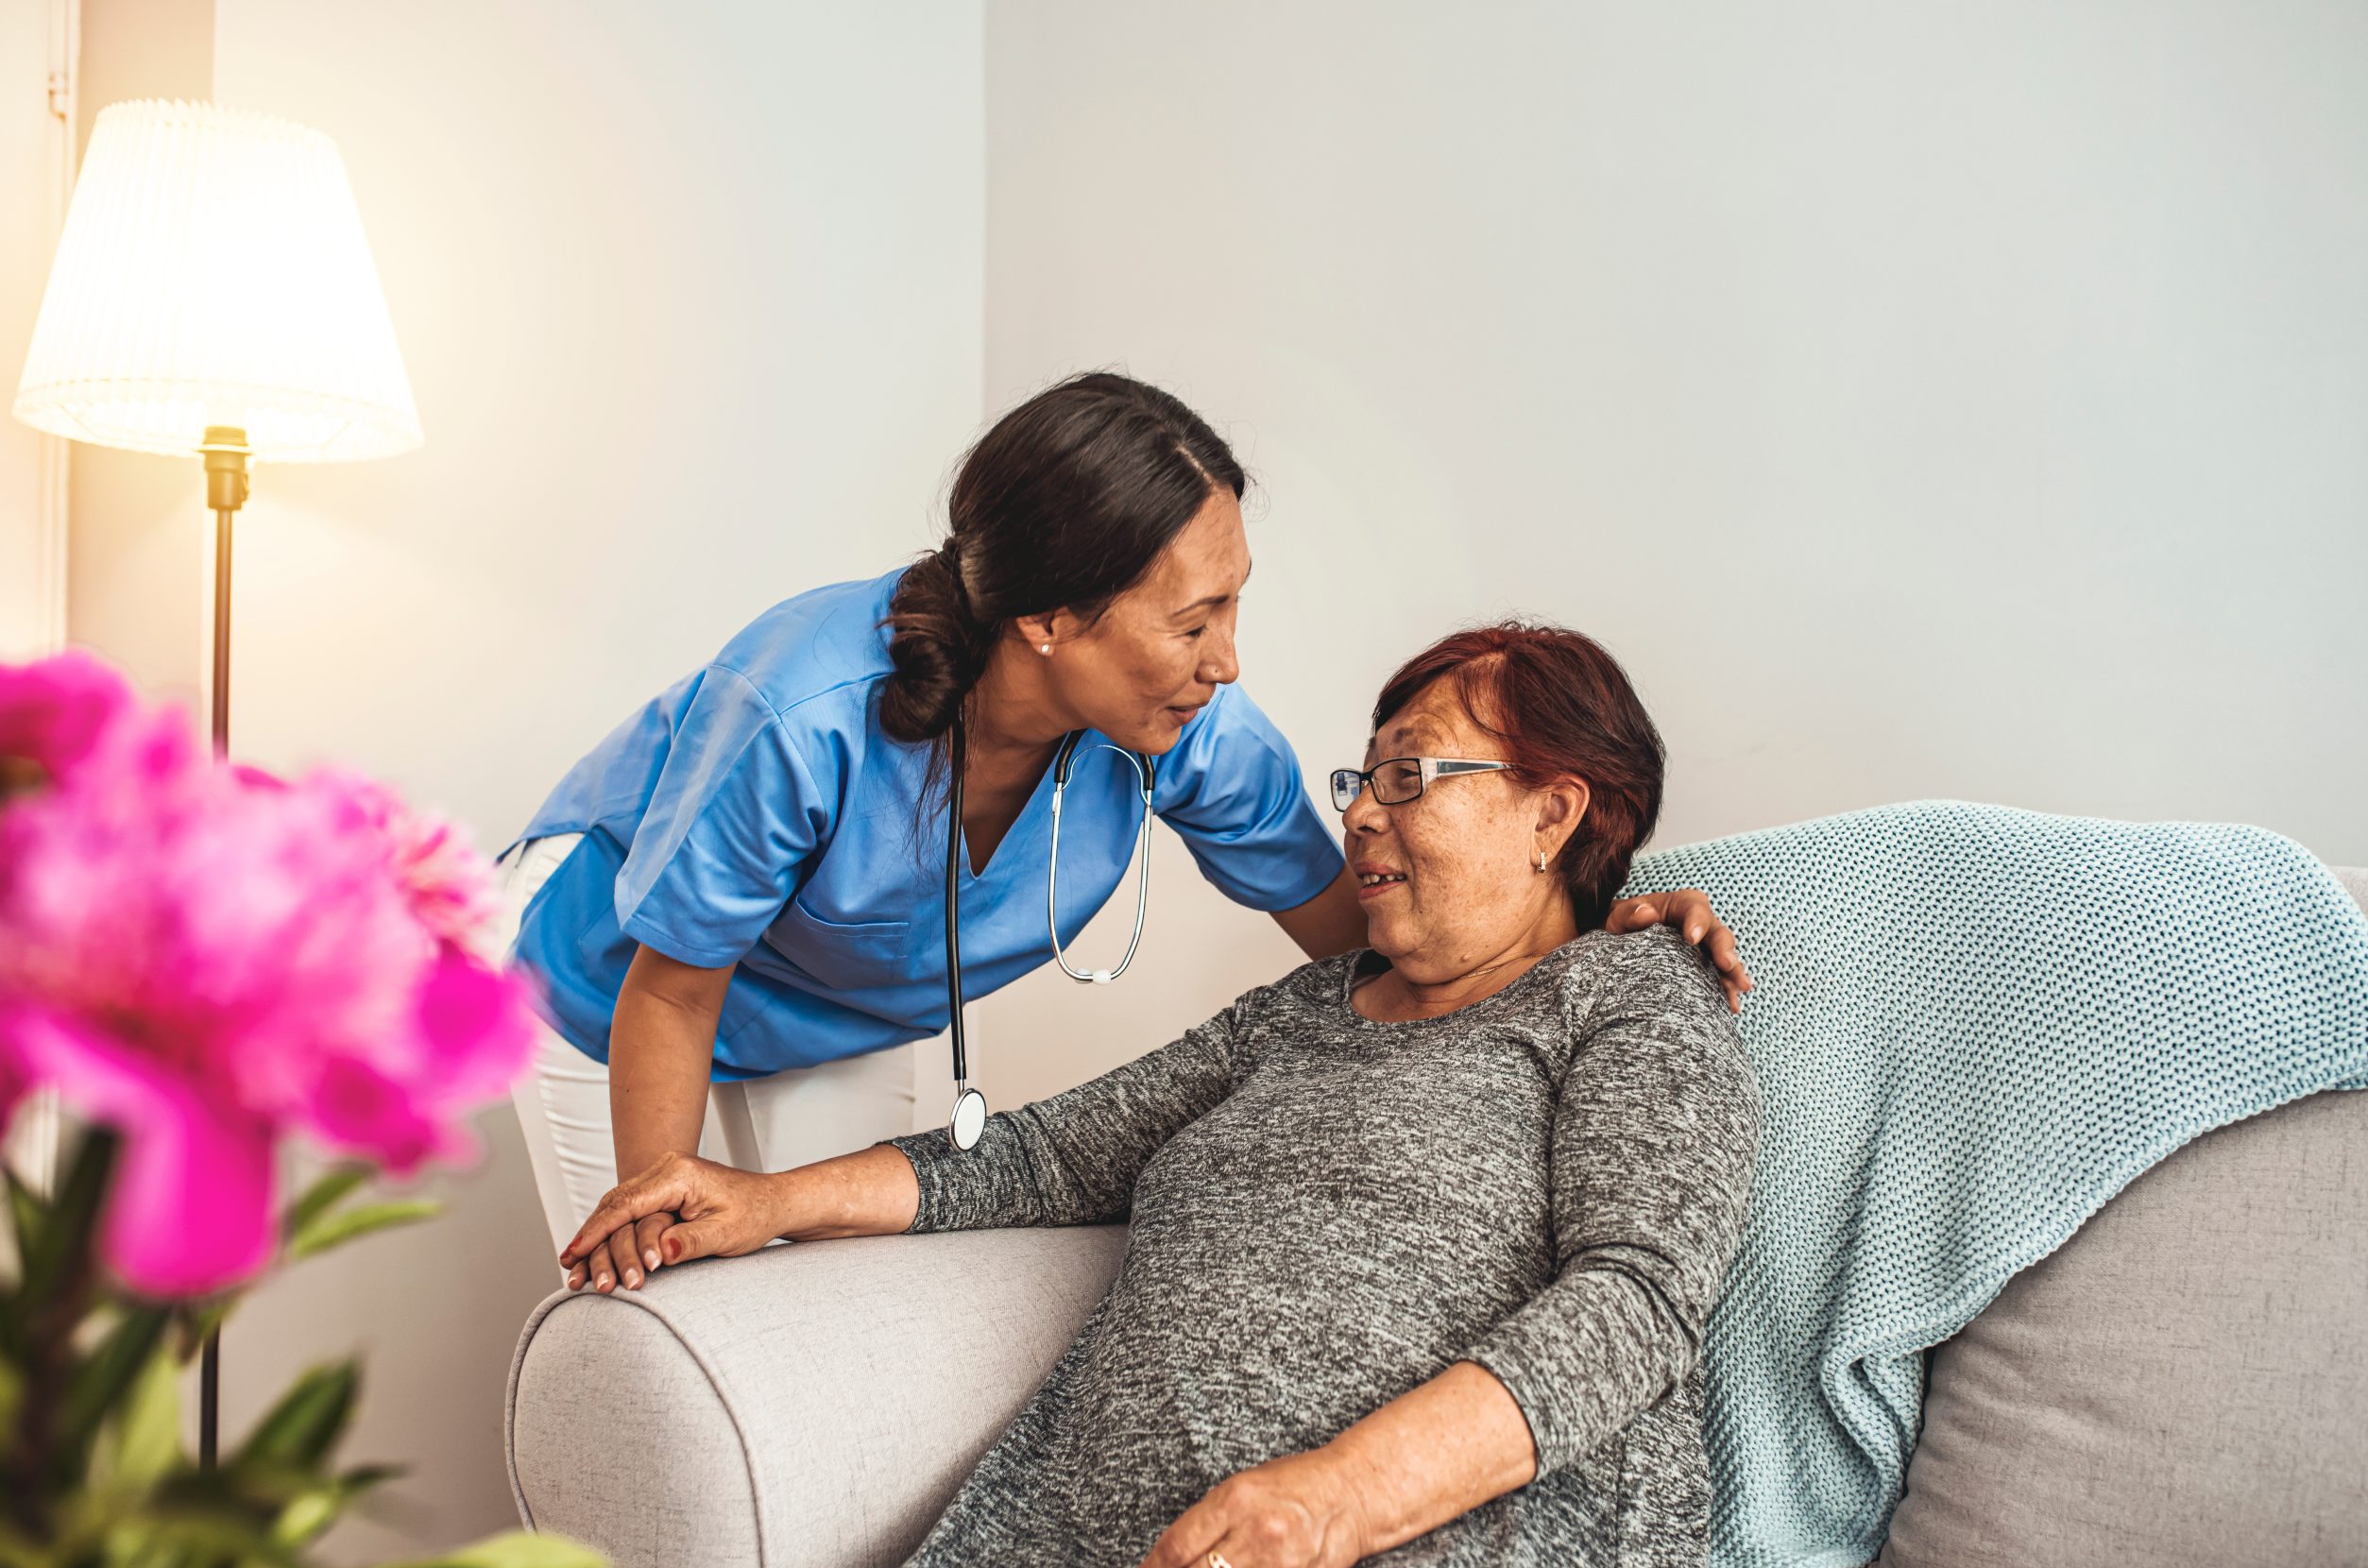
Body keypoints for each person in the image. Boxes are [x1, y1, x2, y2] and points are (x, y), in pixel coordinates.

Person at [560, 621, 1761, 1568]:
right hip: (1079, 1549)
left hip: (1432, 1555)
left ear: (1553, 815)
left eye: (1412, 775)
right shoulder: (1305, 1008)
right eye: (1362, 777)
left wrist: (1333, 1499)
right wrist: (760, 1199)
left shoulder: (1633, 993)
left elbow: (1637, 1303)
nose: (1358, 816)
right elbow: (1043, 1154)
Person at [503, 371, 1751, 1287]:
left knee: (813, 1304)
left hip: (838, 1015)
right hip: (609, 989)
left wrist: (1595, 937)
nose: (1227, 658)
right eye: (1194, 617)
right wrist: (648, 1223)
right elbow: (672, 992)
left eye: (1234, 608)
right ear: (1053, 618)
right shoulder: (801, 711)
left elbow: (1370, 933)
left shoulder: (1188, 725)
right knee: (654, 1311)